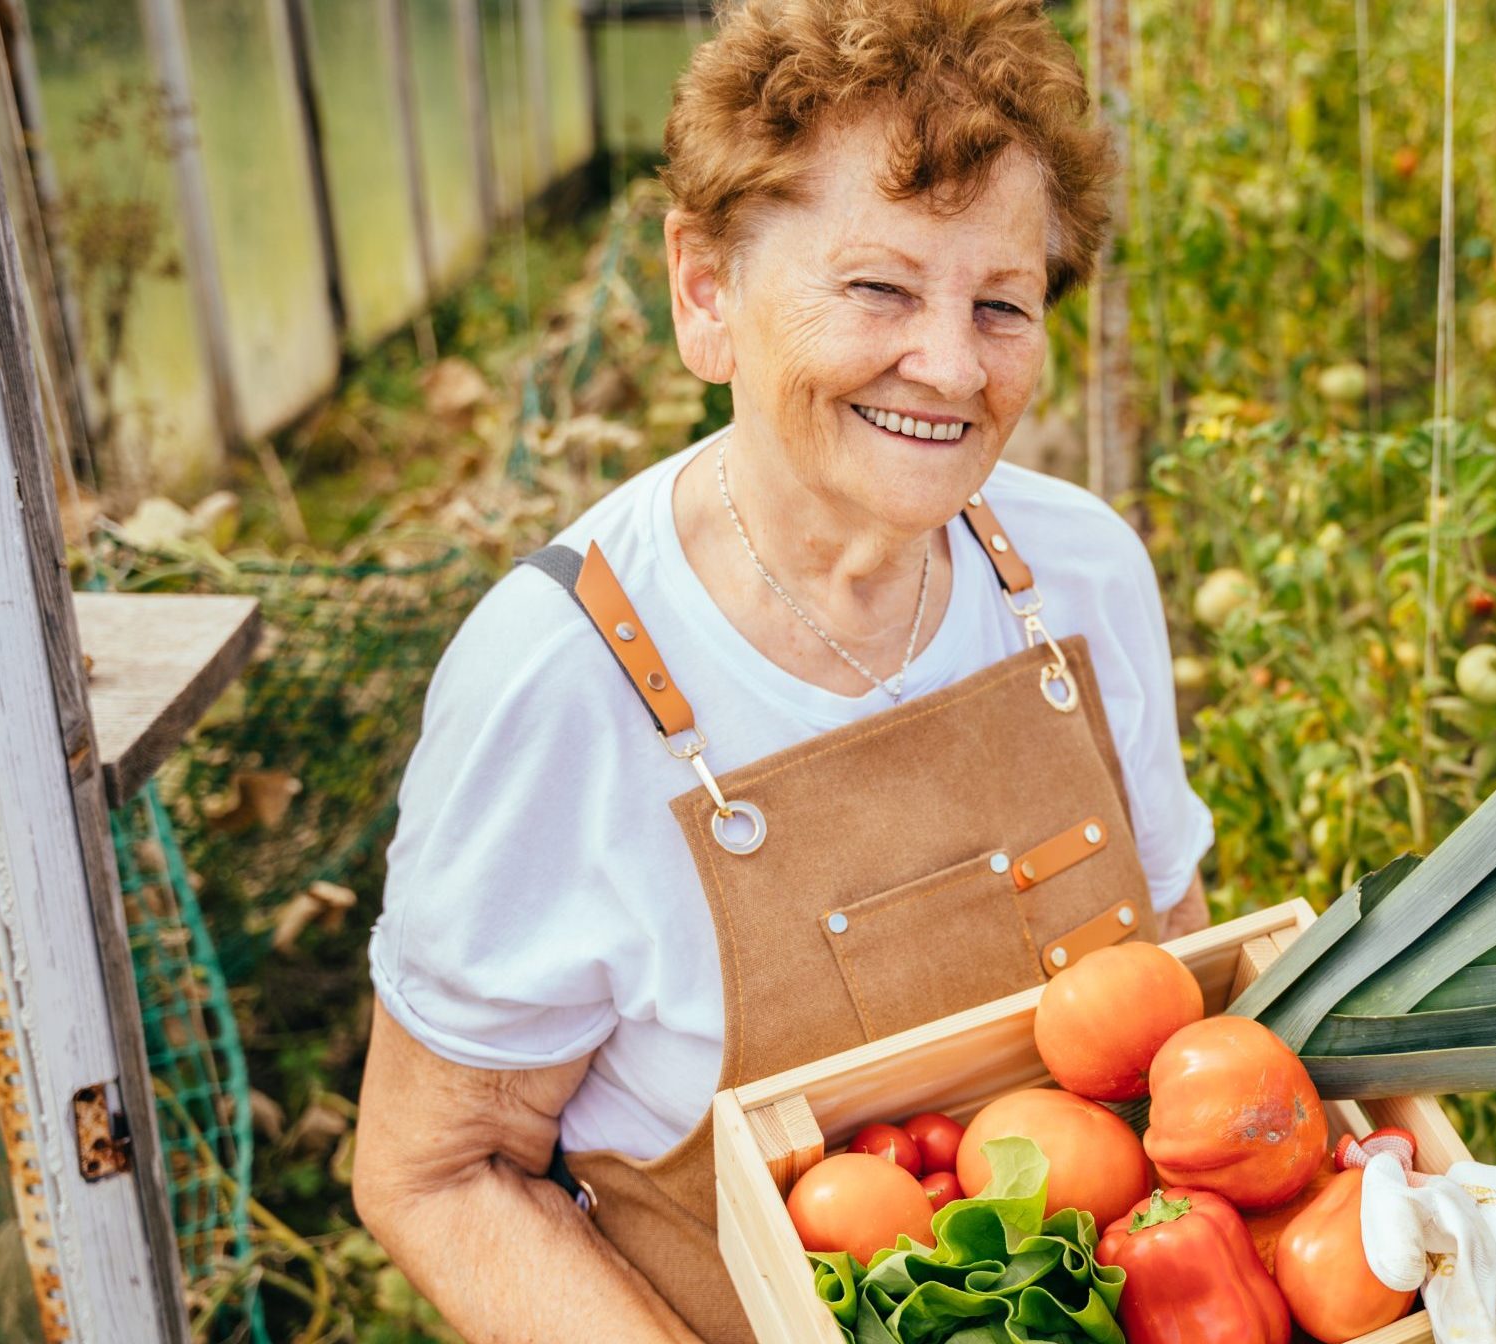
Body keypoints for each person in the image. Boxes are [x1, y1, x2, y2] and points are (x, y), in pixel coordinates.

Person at [351, 2, 1212, 1338]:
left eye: (1001, 302)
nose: (948, 364)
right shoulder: (556, 684)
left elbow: (1184, 993)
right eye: (876, 287)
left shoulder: (1081, 574)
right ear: (707, 291)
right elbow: (439, 1171)